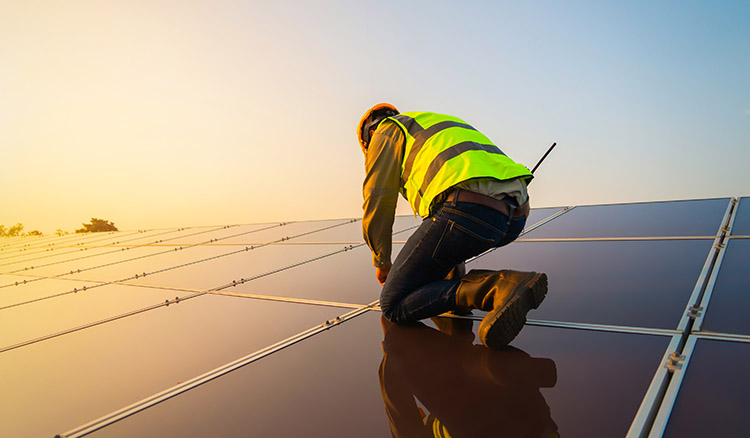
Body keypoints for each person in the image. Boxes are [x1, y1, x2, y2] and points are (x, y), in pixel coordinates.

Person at [358, 103, 548, 349]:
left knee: (393, 304)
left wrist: (382, 262)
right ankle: (463, 300)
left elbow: (378, 199)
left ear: (368, 135)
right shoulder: (434, 124)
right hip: (514, 216)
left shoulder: (385, 131)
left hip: (469, 208)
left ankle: (498, 287)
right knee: (445, 233)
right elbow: (447, 237)